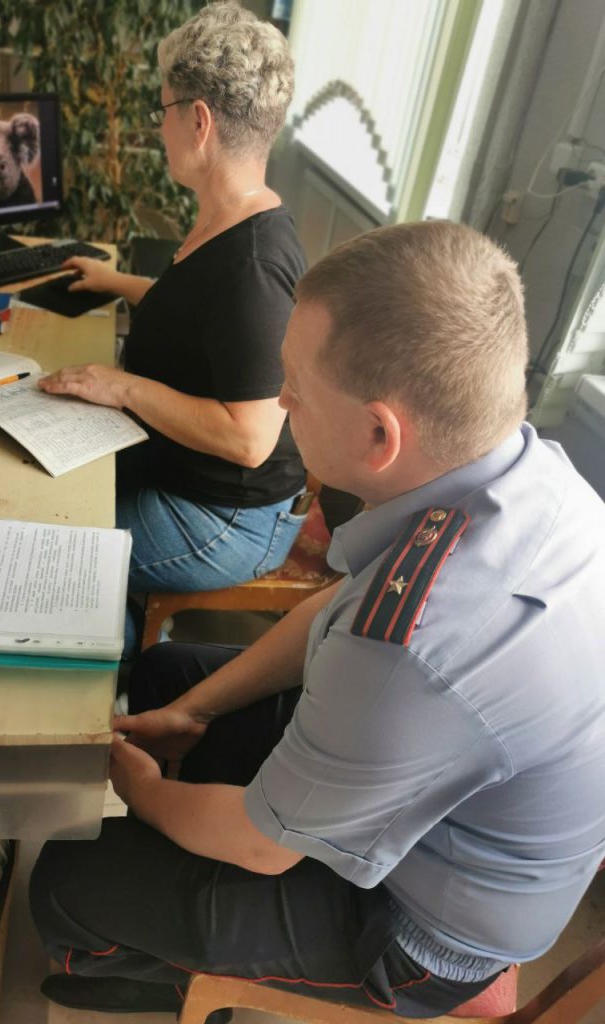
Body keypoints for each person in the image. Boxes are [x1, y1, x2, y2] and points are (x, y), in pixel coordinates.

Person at [30, 220, 605, 1018]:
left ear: (378, 433)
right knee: (166, 675)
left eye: (294, 385)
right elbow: (342, 606)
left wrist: (144, 789)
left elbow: (262, 846)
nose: (281, 401)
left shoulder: (414, 651)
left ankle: (150, 976)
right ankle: (177, 865)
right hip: (448, 796)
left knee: (68, 877)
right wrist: (193, 709)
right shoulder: (524, 469)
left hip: (421, 931)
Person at [39, 2, 307, 653]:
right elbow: (198, 312)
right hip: (189, 480)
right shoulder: (228, 217)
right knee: (44, 496)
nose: (160, 128)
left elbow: (250, 439)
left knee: (54, 550)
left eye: (163, 111)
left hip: (227, 520)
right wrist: (118, 283)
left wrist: (123, 387)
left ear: (199, 120)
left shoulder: (253, 266)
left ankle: (123, 669)